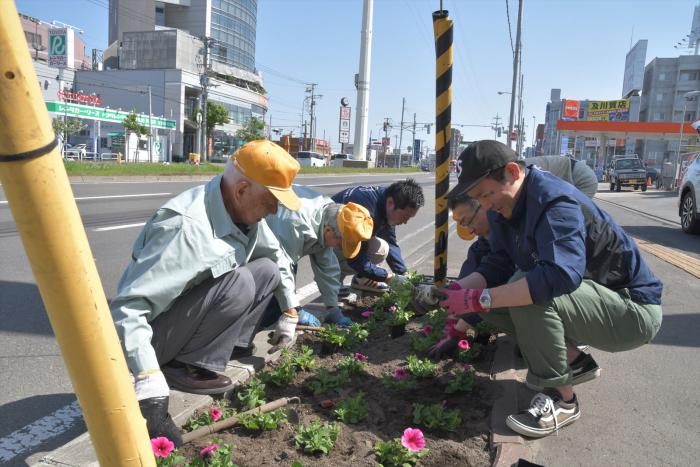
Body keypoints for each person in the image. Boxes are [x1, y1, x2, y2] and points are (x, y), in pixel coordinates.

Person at [415, 140, 662, 438]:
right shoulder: (503, 209)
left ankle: (564, 402)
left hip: (632, 311)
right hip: (595, 301)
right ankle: (574, 360)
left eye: (487, 194)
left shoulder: (554, 201)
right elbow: (498, 264)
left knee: (527, 292)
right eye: (478, 198)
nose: (486, 205)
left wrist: (479, 298)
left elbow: (558, 276)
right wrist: (455, 292)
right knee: (499, 294)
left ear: (513, 171)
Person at [110, 140, 301, 445]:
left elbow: (275, 255)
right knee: (239, 281)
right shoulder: (186, 229)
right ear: (241, 190)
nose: (275, 209)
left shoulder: (240, 212)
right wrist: (147, 381)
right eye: (270, 200)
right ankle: (180, 366)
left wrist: (290, 309)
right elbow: (129, 308)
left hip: (182, 322)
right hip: (152, 337)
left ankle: (224, 350)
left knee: (266, 271)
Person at [261, 185, 374, 330]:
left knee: (282, 296)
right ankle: (240, 340)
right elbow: (280, 264)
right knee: (274, 293)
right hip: (252, 235)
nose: (339, 247)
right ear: (328, 230)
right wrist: (295, 309)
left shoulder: (329, 218)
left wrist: (332, 308)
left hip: (281, 247)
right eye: (340, 243)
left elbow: (327, 267)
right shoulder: (296, 223)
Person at [331, 179, 424, 293]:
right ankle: (332, 284)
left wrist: (403, 273)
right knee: (351, 253)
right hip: (325, 239)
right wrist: (387, 278)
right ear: (390, 203)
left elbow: (389, 240)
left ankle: (362, 280)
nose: (405, 222)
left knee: (382, 248)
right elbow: (356, 258)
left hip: (342, 234)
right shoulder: (366, 212)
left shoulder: (388, 200)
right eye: (405, 216)